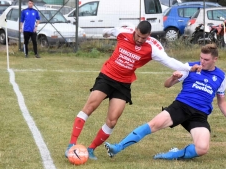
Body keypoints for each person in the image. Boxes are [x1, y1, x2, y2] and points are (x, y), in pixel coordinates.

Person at [65, 21, 202, 160]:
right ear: (135, 30)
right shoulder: (123, 32)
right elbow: (110, 31)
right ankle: (71, 145)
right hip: (107, 77)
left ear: (149, 35)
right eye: (138, 36)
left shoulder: (152, 47)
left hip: (124, 84)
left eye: (144, 38)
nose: (140, 40)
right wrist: (106, 32)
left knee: (112, 121)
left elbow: (168, 61)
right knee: (90, 107)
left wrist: (189, 68)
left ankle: (91, 149)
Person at [104, 43, 226, 160]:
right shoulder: (189, 67)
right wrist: (173, 78)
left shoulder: (221, 76)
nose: (202, 62)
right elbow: (167, 85)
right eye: (201, 58)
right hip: (181, 106)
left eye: (206, 60)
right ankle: (117, 147)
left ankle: (173, 155)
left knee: (202, 148)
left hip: (200, 114)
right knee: (153, 124)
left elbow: (221, 101)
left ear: (215, 59)